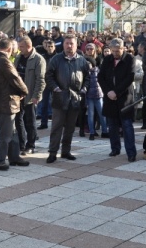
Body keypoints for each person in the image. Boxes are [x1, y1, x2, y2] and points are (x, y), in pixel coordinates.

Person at [45, 35, 89, 163]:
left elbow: (87, 78)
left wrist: (84, 89)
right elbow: (48, 76)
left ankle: (66, 151)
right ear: (63, 45)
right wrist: (55, 88)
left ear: (76, 45)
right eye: (67, 43)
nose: (69, 46)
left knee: (70, 127)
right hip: (60, 97)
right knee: (56, 127)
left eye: (72, 44)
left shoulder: (82, 61)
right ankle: (52, 152)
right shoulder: (56, 59)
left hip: (75, 98)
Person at [0, 39, 30, 170]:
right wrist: (24, 90)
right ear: (9, 49)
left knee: (12, 132)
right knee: (5, 133)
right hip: (6, 101)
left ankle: (14, 156)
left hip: (7, 100)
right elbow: (15, 78)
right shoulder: (3, 60)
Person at [98, 38, 137, 161]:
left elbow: (129, 78)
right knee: (112, 126)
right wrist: (108, 91)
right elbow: (101, 77)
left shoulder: (130, 59)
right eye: (113, 51)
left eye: (117, 51)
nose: (115, 53)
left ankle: (131, 153)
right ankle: (115, 149)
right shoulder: (107, 59)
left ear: (122, 48)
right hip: (110, 99)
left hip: (125, 98)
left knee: (127, 126)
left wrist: (116, 92)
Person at [14, 37, 46, 154]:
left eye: (21, 47)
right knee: (18, 120)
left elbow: (40, 79)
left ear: (28, 46)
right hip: (18, 96)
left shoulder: (38, 59)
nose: (19, 49)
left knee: (30, 121)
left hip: (30, 96)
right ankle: (21, 144)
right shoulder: (18, 57)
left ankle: (31, 145)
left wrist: (36, 96)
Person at [85, 57, 107, 140]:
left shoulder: (98, 70)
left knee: (102, 114)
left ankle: (104, 131)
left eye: (89, 63)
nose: (87, 65)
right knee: (90, 114)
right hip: (89, 96)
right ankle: (92, 132)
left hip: (98, 95)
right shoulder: (85, 72)